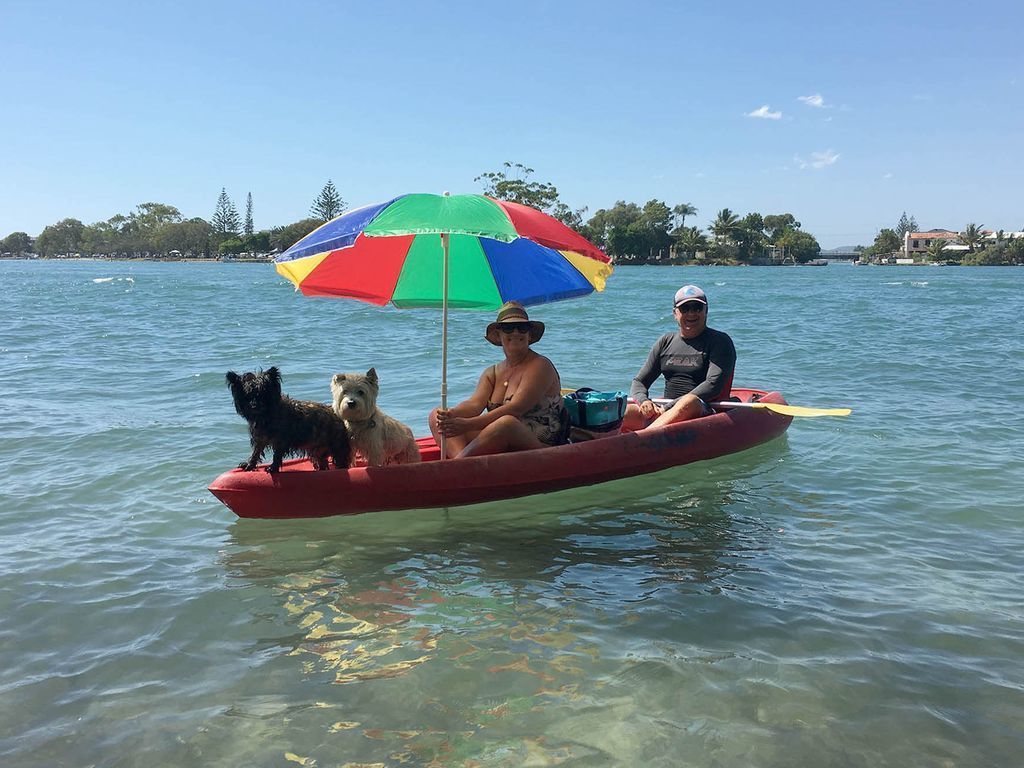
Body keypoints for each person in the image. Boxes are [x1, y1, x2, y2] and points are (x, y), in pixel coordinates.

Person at [429, 301, 570, 458]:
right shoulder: (492, 373)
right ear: (498, 335)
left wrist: (467, 424)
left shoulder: (540, 365)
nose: (516, 332)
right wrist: (451, 414)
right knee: (436, 415)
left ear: (529, 335)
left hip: (540, 444)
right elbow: (474, 405)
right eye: (508, 328)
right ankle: (461, 463)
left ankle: (457, 467)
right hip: (501, 439)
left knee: (506, 423)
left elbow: (516, 408)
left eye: (522, 328)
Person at [624, 284, 736, 430]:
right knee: (626, 411)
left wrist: (670, 407)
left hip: (704, 410)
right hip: (665, 411)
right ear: (675, 313)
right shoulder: (665, 341)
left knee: (689, 401)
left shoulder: (720, 341)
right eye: (685, 308)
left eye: (697, 307)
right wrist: (644, 401)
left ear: (706, 311)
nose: (691, 313)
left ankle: (643, 438)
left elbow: (712, 385)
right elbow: (639, 381)